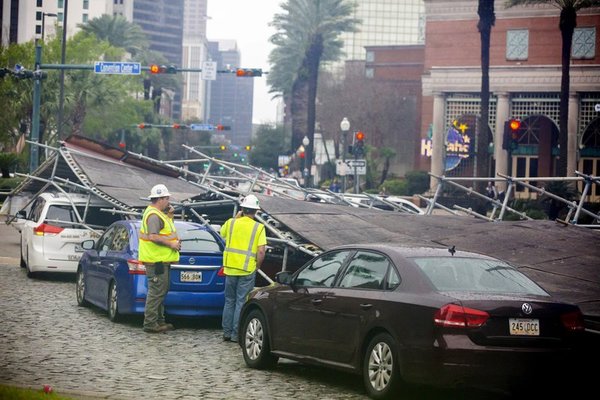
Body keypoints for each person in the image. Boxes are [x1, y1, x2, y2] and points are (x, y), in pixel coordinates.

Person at [220, 194, 267, 342]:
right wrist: (257, 265)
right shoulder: (259, 228)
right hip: (247, 269)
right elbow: (261, 251)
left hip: (230, 268)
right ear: (256, 211)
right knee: (241, 302)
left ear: (242, 209)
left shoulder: (231, 223)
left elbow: (222, 234)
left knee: (229, 301)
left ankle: (226, 333)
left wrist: (236, 217)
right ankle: (235, 335)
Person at [138, 184, 181, 333]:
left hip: (161, 260)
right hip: (156, 261)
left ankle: (159, 321)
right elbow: (153, 236)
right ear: (160, 199)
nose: (168, 201)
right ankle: (150, 324)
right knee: (156, 292)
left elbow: (165, 231)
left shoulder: (159, 214)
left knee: (160, 291)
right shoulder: (154, 215)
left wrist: (170, 216)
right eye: (167, 198)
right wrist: (171, 244)